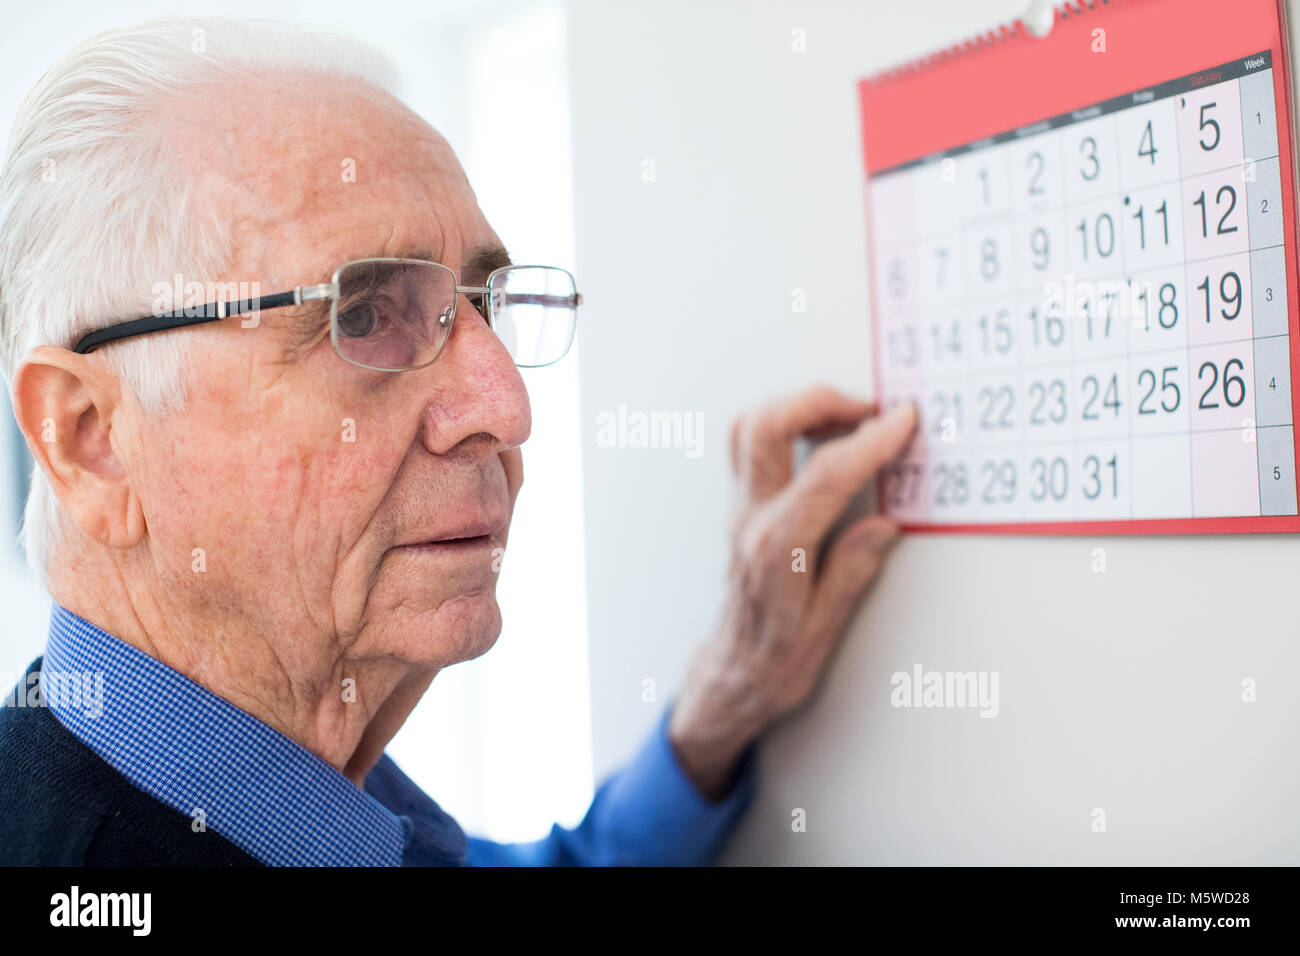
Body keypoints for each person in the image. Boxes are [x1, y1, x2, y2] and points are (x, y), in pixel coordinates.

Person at [0, 17, 916, 866]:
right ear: (91, 442)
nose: (505, 408)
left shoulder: (304, 798)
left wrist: (723, 705)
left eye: (479, 306)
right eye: (361, 314)